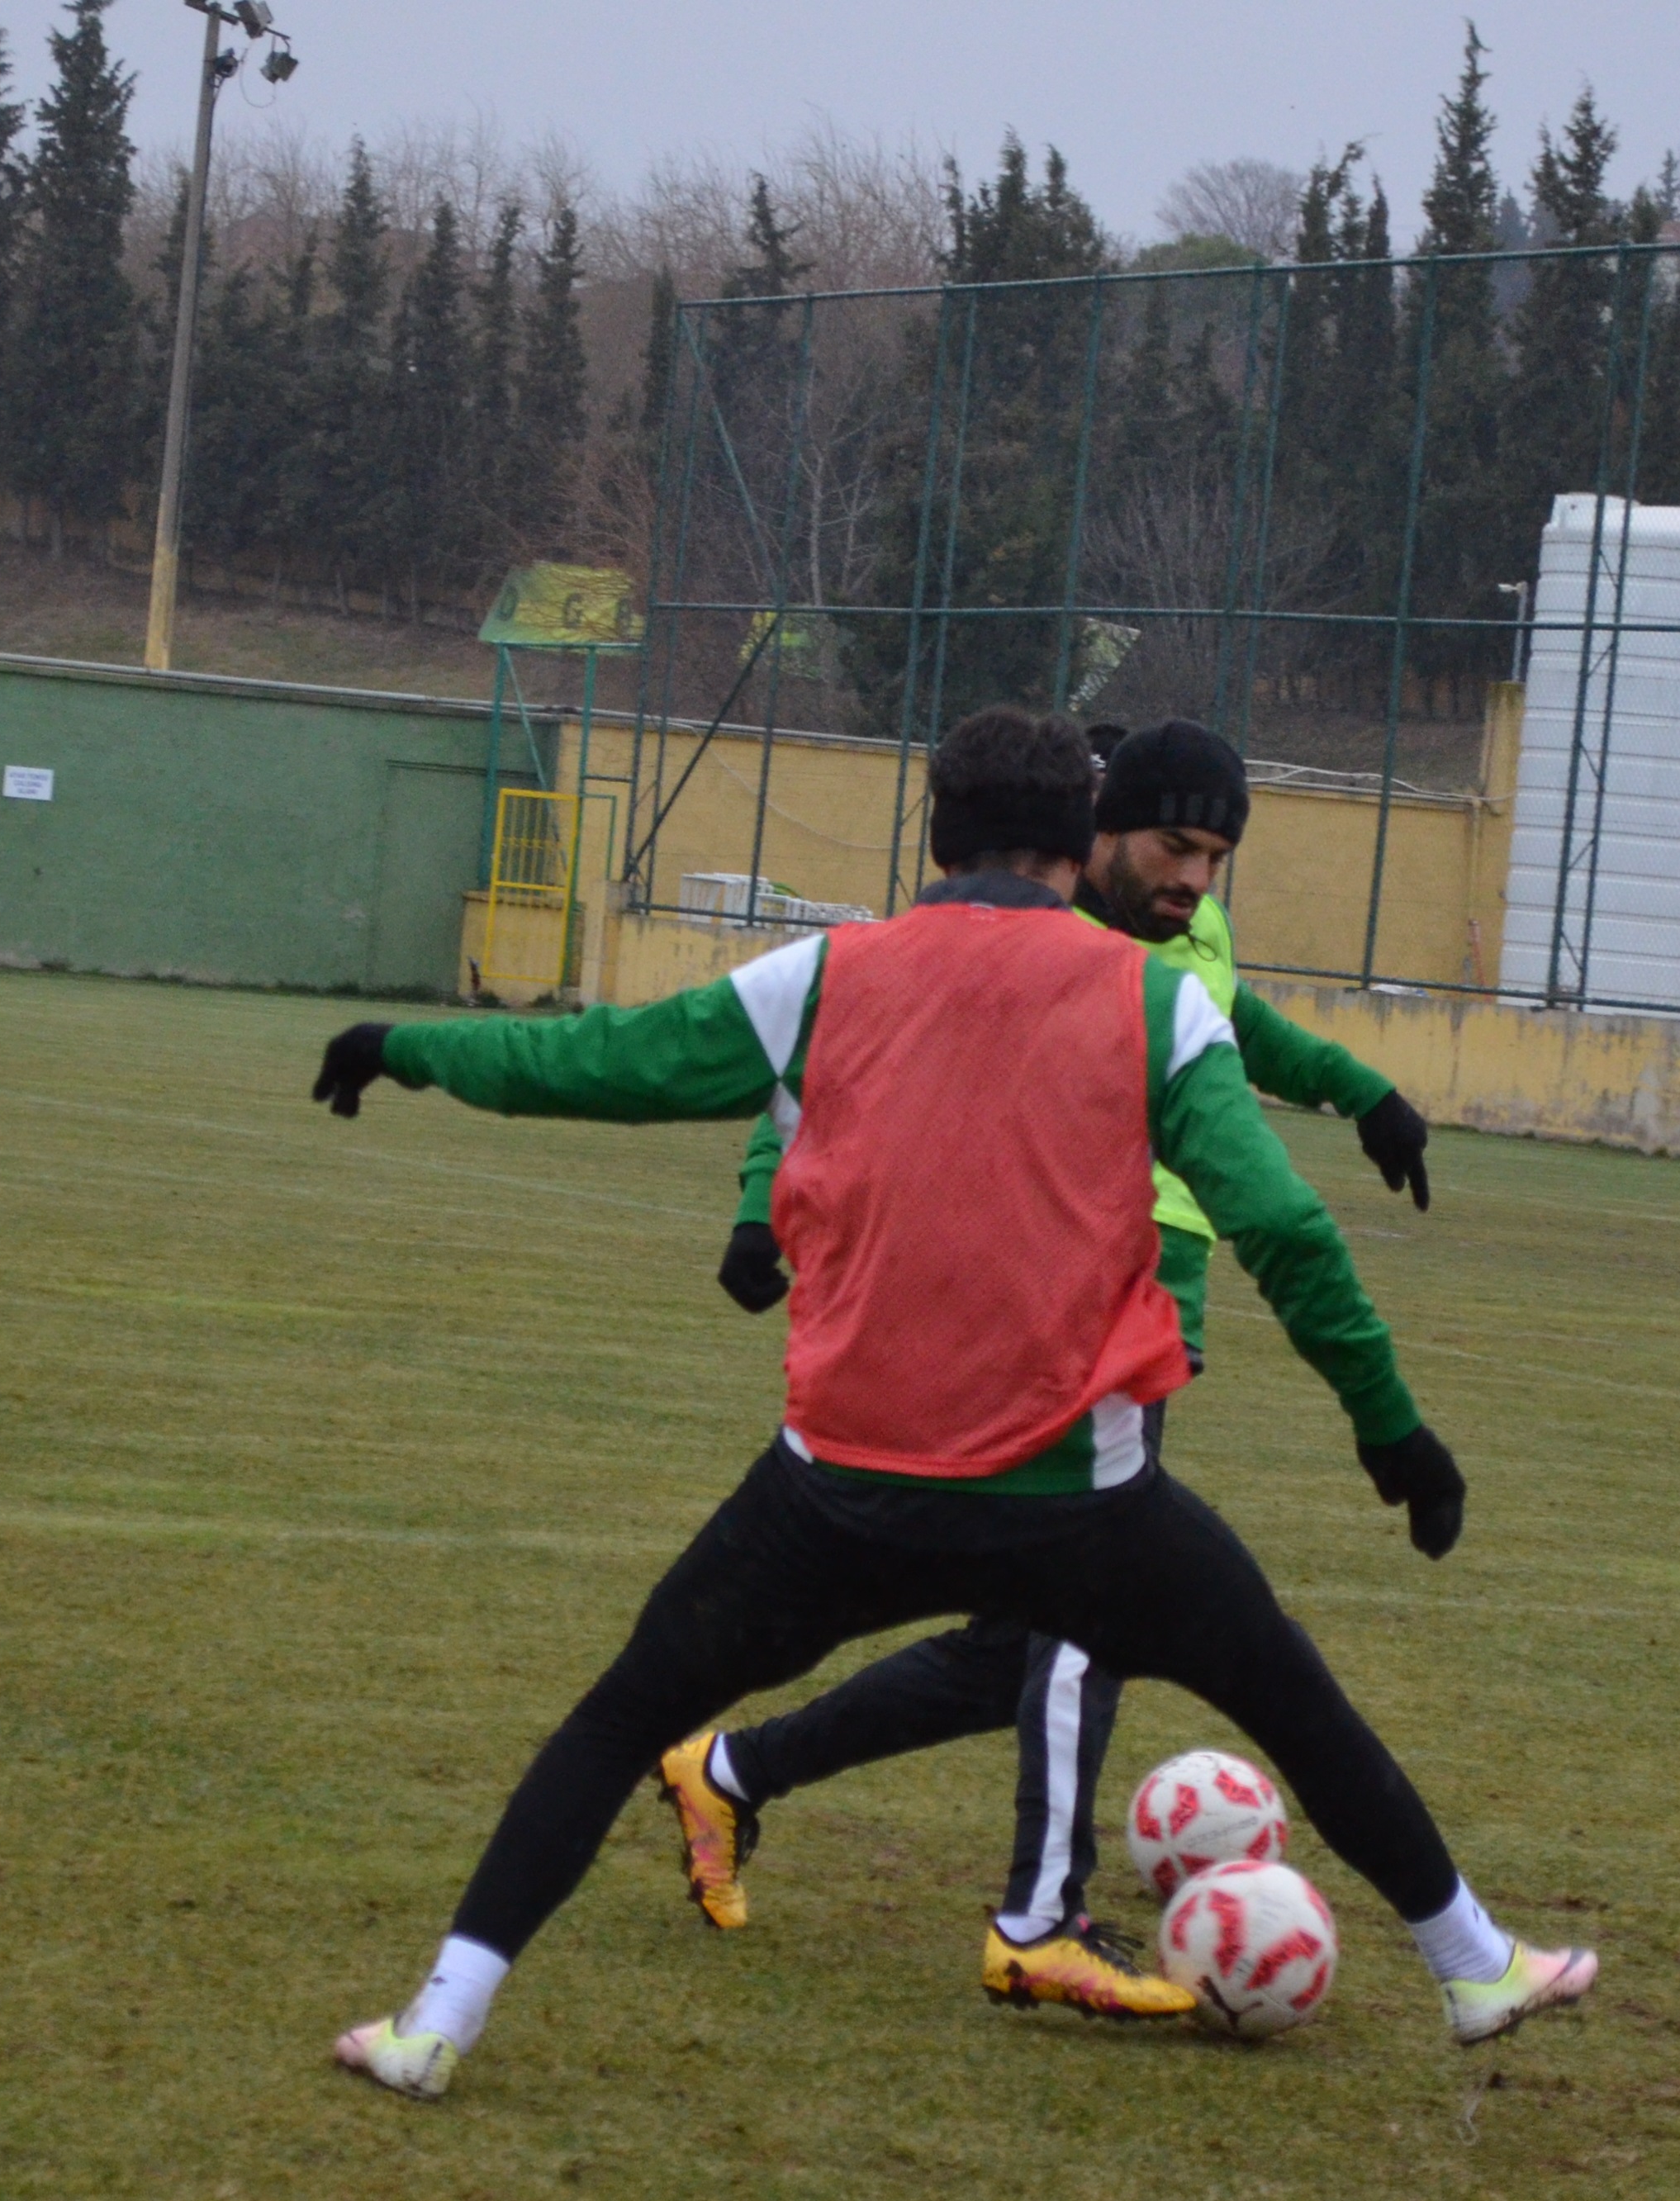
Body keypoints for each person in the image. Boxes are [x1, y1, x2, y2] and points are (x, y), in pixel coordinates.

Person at [306, 708, 1592, 2102]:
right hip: (1071, 1507)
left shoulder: (825, 973)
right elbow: (1282, 1226)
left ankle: (435, 2021)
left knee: (617, 1724)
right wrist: (1388, 1429)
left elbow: (593, 1062)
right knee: (1287, 1695)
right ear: (1074, 842)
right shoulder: (1155, 1000)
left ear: (934, 836)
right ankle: (1469, 1965)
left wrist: (403, 1047)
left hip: (828, 1495)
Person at [680, 719, 1439, 2018]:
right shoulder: (1012, 921)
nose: (1194, 875)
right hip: (1047, 1296)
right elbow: (826, 1056)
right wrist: (762, 1203)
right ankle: (1042, 1917)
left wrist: (1363, 1093)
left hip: (1152, 1290)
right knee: (1085, 1618)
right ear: (1094, 833)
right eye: (1175, 845)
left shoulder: (1167, 932)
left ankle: (732, 1771)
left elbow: (1237, 1024)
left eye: (1213, 853)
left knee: (1020, 1648)